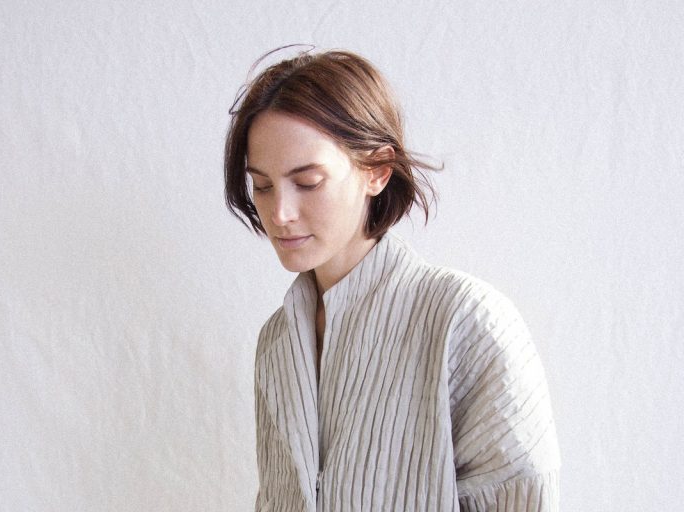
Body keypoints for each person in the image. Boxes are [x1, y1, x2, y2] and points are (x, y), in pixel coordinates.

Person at [224, 47, 561, 512]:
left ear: (378, 171)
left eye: (308, 182)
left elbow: (522, 500)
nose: (279, 213)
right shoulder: (276, 342)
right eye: (262, 186)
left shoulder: (464, 322)